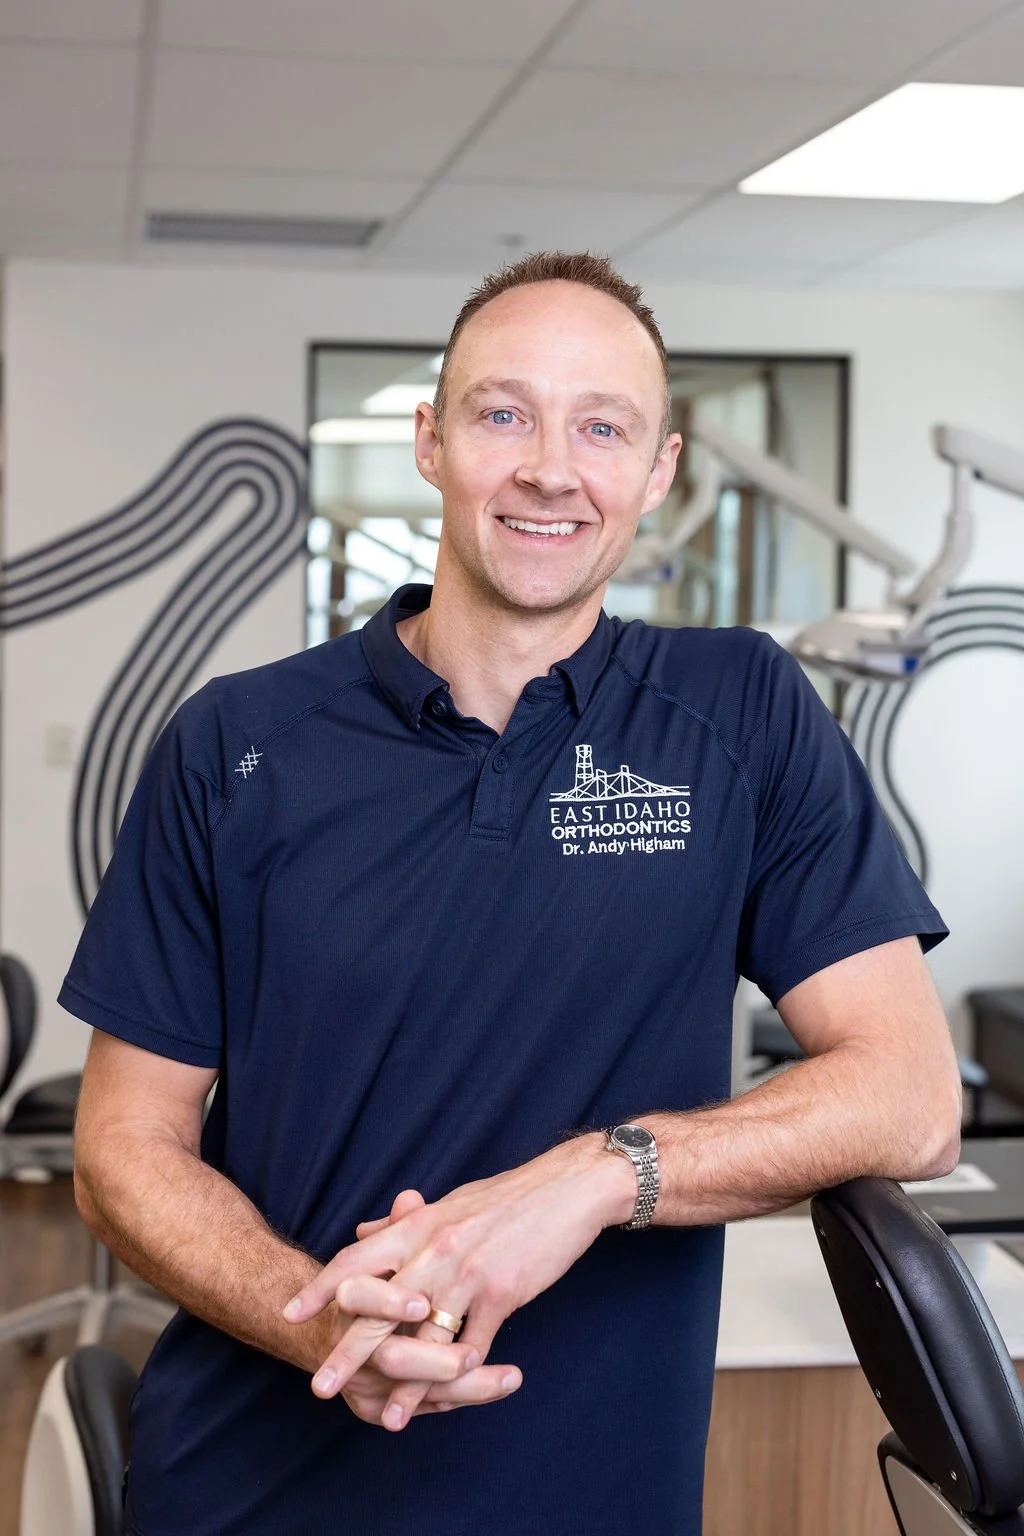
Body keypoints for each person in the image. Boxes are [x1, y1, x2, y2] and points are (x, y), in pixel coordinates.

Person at [64, 251, 961, 1536]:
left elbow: (911, 1097)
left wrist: (596, 1176)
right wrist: (315, 1311)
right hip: (249, 1481)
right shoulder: (237, 743)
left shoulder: (740, 713)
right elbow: (119, 1152)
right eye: (504, 414)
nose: (552, 466)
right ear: (431, 443)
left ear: (657, 473)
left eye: (603, 426)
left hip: (593, 1492)